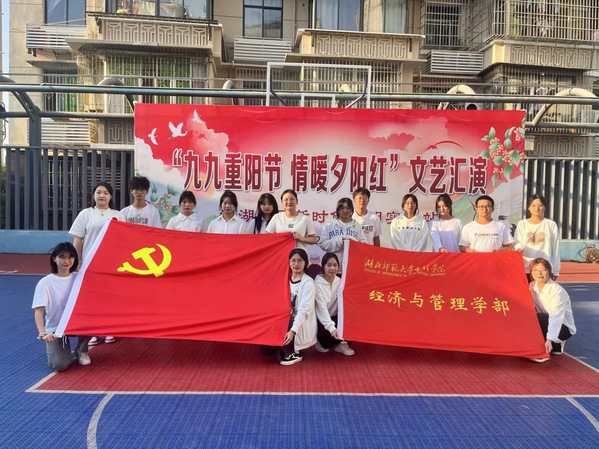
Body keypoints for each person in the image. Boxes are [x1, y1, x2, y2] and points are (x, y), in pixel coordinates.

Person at [69, 182, 125, 346]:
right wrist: (77, 260)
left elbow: (124, 240)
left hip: (112, 263)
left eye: (106, 193)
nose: (102, 196)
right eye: (99, 192)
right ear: (93, 195)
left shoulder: (118, 215)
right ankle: (91, 332)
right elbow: (78, 239)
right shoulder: (86, 214)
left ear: (111, 196)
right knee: (90, 298)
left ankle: (108, 329)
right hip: (90, 262)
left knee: (110, 297)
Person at [32, 242, 92, 371]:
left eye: (70, 257)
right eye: (62, 257)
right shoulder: (45, 283)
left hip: (77, 324)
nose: (67, 261)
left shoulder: (79, 278)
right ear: (54, 258)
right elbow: (38, 311)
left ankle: (81, 350)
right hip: (56, 328)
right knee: (60, 365)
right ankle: (61, 350)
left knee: (94, 319)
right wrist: (43, 333)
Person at [264, 249, 317, 366]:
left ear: (305, 263)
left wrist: (293, 331)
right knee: (265, 350)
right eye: (293, 260)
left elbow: (304, 311)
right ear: (289, 262)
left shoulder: (308, 283)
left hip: (298, 325)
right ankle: (282, 348)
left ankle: (294, 352)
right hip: (285, 320)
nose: (296, 264)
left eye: (300, 260)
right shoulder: (285, 279)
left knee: (281, 355)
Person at [528, 258, 576, 363]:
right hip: (545, 321)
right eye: (535, 270)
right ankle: (556, 344)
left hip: (563, 327)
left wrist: (549, 339)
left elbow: (556, 317)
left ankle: (543, 352)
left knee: (540, 318)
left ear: (549, 271)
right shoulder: (532, 286)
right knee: (530, 316)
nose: (539, 273)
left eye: (543, 270)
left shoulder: (557, 291)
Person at [314, 253, 354, 356]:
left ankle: (342, 344)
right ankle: (317, 339)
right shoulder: (317, 285)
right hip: (322, 320)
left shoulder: (341, 281)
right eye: (329, 265)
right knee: (326, 345)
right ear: (323, 266)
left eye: (335, 265)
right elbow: (321, 310)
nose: (332, 268)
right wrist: (332, 328)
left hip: (336, 318)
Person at [515, 194, 561, 282]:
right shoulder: (522, 224)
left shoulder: (551, 224)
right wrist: (519, 248)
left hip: (544, 269)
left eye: (540, 205)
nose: (537, 208)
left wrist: (556, 271)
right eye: (533, 205)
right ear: (528, 208)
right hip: (526, 268)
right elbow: (517, 242)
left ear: (545, 207)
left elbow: (556, 248)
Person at [319, 197, 367, 270]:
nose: (345, 211)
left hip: (351, 268)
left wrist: (353, 244)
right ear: (338, 210)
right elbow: (323, 244)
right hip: (334, 269)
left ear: (351, 210)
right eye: (342, 208)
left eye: (348, 208)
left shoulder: (356, 226)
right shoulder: (330, 225)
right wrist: (340, 241)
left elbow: (364, 246)